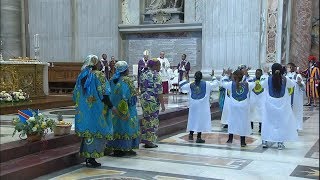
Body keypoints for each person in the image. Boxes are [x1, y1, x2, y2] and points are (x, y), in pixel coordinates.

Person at [73, 55, 114, 167]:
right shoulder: (99, 75)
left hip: (84, 110)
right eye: (99, 62)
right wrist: (111, 106)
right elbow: (105, 93)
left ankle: (88, 156)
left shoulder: (82, 75)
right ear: (95, 63)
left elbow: (75, 94)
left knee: (88, 132)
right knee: (97, 133)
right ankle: (91, 157)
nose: (101, 64)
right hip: (97, 109)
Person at [261, 63, 297, 150]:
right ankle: (280, 143)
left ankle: (265, 141)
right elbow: (292, 85)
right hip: (282, 104)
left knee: (268, 122)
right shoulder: (285, 79)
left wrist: (266, 74)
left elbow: (262, 85)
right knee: (281, 123)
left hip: (270, 104)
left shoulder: (268, 79)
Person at [107, 61, 140, 157]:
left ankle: (117, 148)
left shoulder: (112, 79)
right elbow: (132, 95)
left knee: (117, 126)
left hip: (114, 108)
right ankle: (127, 147)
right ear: (125, 70)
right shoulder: (127, 80)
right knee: (128, 126)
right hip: (127, 108)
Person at [180, 71, 219, 143]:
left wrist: (185, 77)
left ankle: (191, 135)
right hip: (202, 106)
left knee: (192, 119)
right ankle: (198, 137)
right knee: (200, 120)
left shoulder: (190, 84)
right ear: (202, 77)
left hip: (193, 105)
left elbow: (182, 86)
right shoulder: (207, 84)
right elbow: (216, 84)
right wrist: (213, 76)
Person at [222, 70, 254, 147]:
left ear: (234, 76)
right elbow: (254, 82)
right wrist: (247, 76)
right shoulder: (247, 84)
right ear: (242, 76)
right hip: (244, 105)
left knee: (232, 121)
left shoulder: (230, 84)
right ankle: (242, 141)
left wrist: (226, 75)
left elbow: (223, 83)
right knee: (243, 123)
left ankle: (230, 139)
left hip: (233, 105)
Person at [140, 59, 166, 148]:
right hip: (152, 100)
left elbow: (141, 87)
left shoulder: (144, 73)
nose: (160, 67)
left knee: (146, 119)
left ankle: (145, 139)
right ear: (154, 66)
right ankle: (150, 141)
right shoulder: (156, 75)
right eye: (159, 65)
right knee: (152, 120)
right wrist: (163, 105)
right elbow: (159, 91)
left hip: (144, 99)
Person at [286, 63, 305, 131]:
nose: (287, 68)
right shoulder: (286, 76)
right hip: (287, 97)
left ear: (292, 67)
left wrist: (300, 83)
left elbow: (303, 87)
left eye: (288, 67)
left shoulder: (297, 76)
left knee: (296, 112)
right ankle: (288, 126)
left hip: (296, 98)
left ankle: (296, 126)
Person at [249, 69, 264, 133]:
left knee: (261, 114)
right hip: (253, 100)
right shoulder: (251, 80)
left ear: (261, 74)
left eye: (259, 73)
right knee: (251, 114)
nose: (257, 74)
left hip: (261, 100)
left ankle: (261, 128)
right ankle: (250, 127)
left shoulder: (264, 80)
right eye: (256, 73)